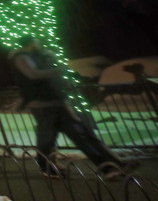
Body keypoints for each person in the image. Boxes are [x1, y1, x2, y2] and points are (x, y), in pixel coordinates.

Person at [8, 36, 133, 179]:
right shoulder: (22, 57)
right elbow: (32, 74)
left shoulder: (37, 57)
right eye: (36, 42)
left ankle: (111, 166)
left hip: (56, 101)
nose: (39, 44)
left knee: (80, 135)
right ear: (31, 43)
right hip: (43, 104)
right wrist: (59, 71)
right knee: (50, 139)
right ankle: (49, 167)